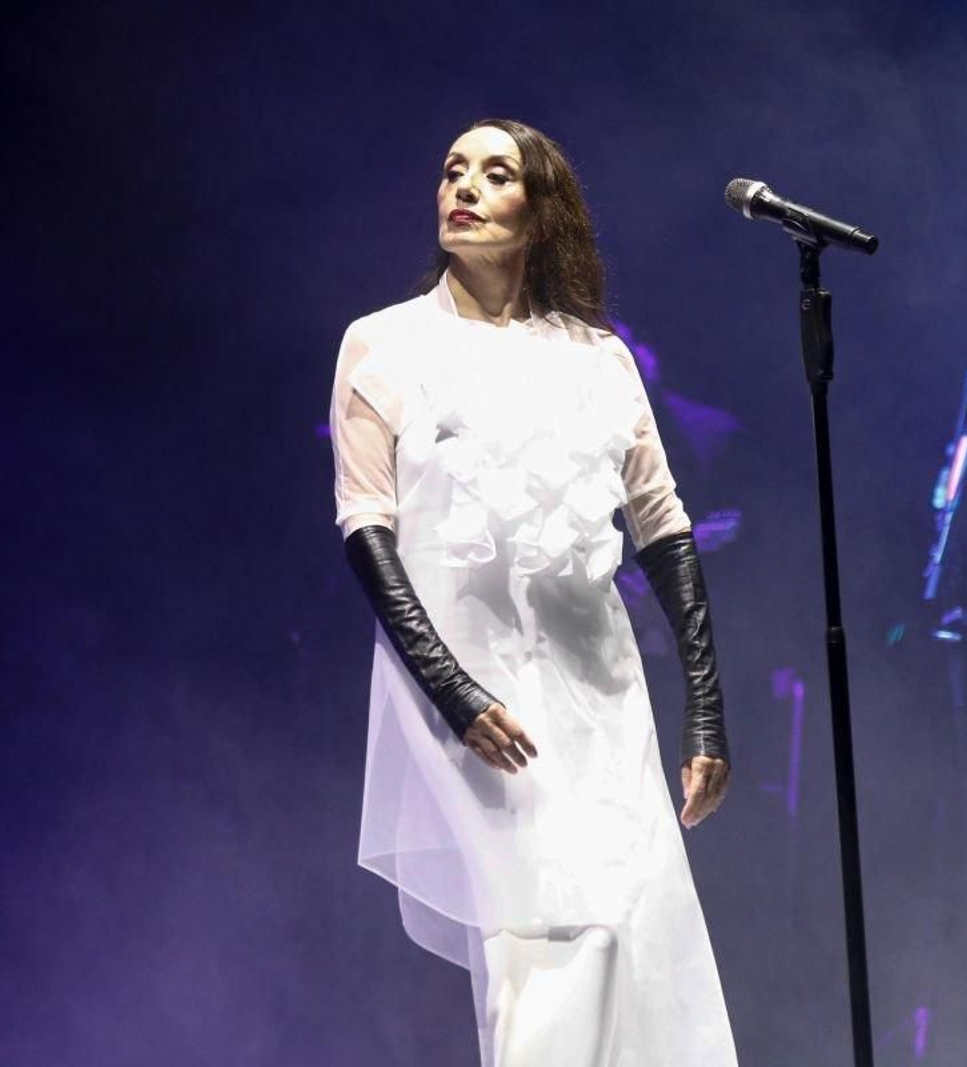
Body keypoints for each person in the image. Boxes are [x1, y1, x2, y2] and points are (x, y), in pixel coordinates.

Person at [329, 118, 738, 1067]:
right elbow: (365, 529)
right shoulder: (383, 345)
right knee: (555, 929)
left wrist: (706, 711)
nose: (462, 188)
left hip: (597, 682)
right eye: (451, 171)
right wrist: (456, 693)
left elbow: (664, 526)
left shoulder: (596, 357)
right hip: (470, 688)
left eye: (494, 173)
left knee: (633, 933)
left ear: (540, 210)